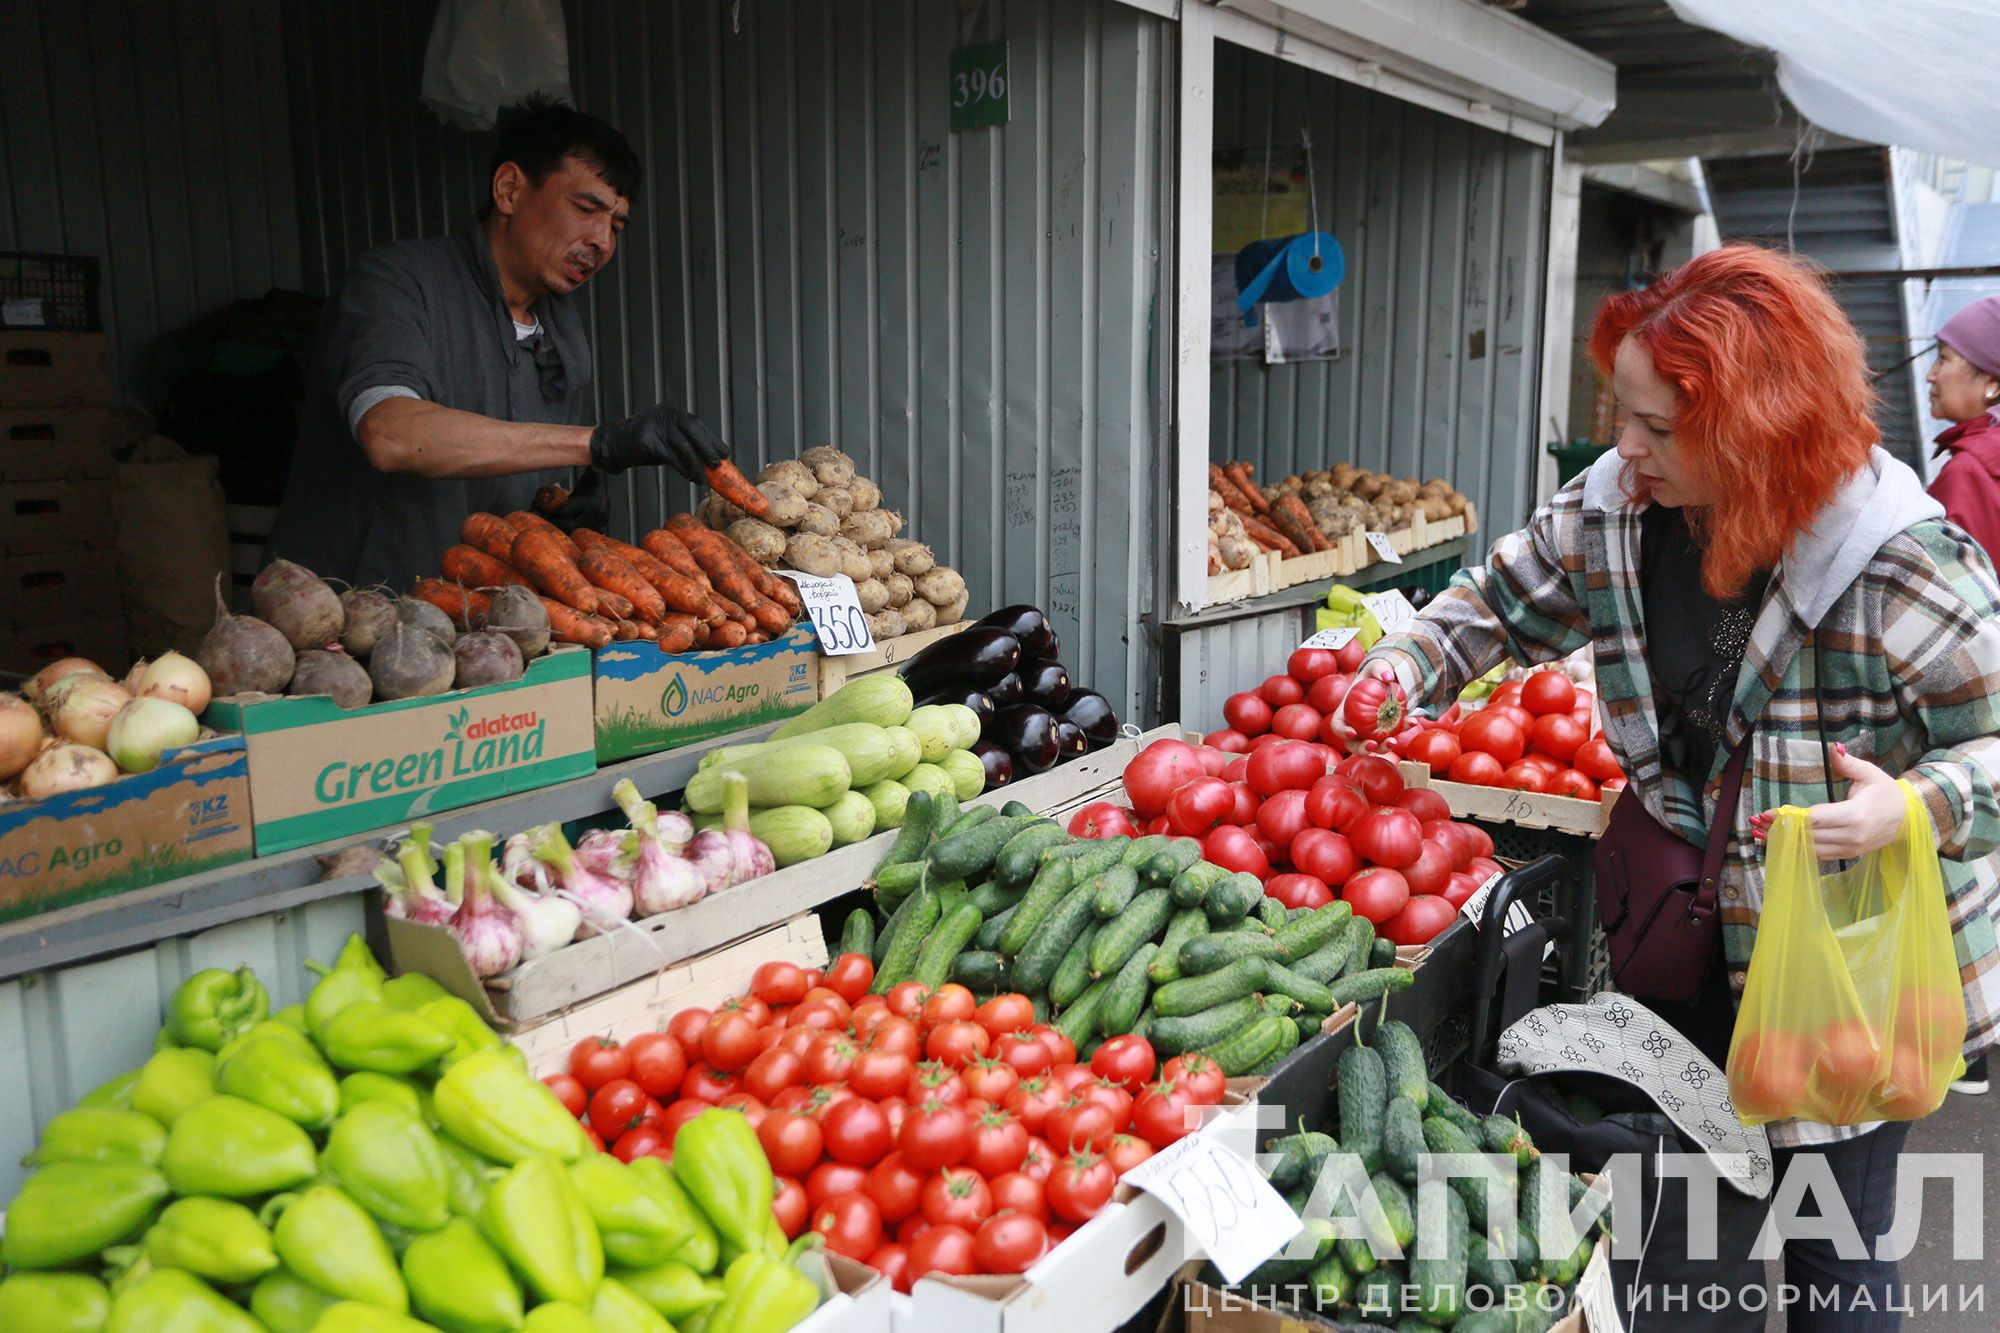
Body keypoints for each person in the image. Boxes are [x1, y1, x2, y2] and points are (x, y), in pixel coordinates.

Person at [1340, 245, 2000, 1329]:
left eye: (1655, 427)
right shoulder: (1617, 505)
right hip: (1685, 938)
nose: (1623, 449)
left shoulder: (1897, 558)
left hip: (1845, 967)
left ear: (1753, 423)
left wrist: (1913, 806)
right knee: (1677, 1239)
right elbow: (1502, 599)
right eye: (1621, 415)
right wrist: (1403, 662)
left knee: (1834, 1252)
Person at [269, 95, 727, 588]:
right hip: (345, 615)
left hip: (481, 623)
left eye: (615, 226)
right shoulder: (395, 283)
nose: (602, 241)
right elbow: (390, 436)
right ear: (509, 190)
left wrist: (557, 518)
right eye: (585, 208)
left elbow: (520, 475)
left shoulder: (564, 337)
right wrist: (598, 442)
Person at [1922, 295, 2000, 1096]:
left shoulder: (1968, 471)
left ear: (1990, 382)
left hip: (1982, 692)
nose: (1937, 369)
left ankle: (1963, 1044)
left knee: (1962, 845)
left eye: (1950, 357)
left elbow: (1955, 619)